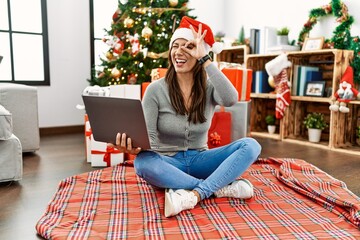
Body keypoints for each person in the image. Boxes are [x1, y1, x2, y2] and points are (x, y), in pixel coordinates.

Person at [109, 16, 261, 217]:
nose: (179, 52)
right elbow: (150, 139)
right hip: (167, 161)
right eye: (175, 46)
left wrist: (206, 60)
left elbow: (231, 98)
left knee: (251, 146)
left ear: (199, 53)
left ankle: (197, 193)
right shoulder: (155, 90)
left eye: (188, 46)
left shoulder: (209, 88)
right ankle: (216, 189)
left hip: (201, 159)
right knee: (143, 163)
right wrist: (135, 147)